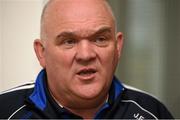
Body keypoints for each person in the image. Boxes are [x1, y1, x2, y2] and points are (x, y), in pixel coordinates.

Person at [0, 0, 173, 119]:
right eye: (69, 41)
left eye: (100, 39)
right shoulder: (5, 110)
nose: (86, 54)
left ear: (118, 47)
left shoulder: (153, 111)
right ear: (42, 53)